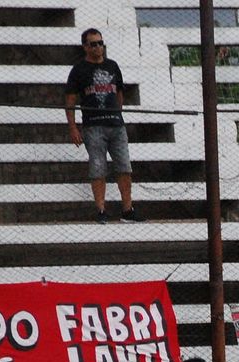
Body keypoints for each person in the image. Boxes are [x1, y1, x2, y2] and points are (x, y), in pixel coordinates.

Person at [64, 28, 143, 224]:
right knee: (98, 167)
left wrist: (118, 112)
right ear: (85, 47)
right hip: (93, 126)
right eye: (93, 44)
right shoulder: (79, 70)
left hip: (116, 124)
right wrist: (73, 127)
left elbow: (119, 92)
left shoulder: (113, 66)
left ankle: (127, 209)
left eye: (100, 43)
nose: (98, 47)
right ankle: (101, 210)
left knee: (124, 166)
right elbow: (70, 100)